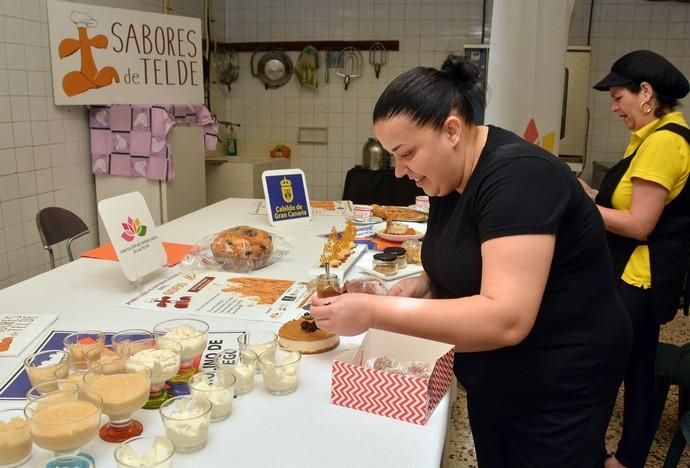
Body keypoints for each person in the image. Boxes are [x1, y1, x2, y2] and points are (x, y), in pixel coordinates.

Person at [310, 54, 632, 467]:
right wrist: (426, 284)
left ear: (451, 130)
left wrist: (376, 312)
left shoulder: (519, 178)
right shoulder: (452, 176)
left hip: (559, 372)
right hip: (497, 371)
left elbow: (506, 319)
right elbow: (467, 255)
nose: (399, 171)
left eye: (406, 153)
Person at [579, 50, 690, 468]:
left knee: (608, 368)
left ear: (646, 93)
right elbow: (627, 204)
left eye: (618, 95)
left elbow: (640, 224)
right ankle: (628, 458)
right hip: (639, 277)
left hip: (638, 279)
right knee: (638, 369)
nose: (613, 106)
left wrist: (580, 209)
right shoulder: (657, 135)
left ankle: (600, 455)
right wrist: (587, 194)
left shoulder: (663, 143)